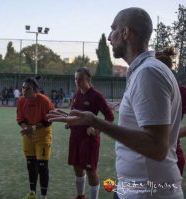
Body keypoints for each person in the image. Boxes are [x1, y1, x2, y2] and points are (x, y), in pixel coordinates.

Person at [47, 7, 183, 199]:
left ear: (125, 32)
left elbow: (157, 147)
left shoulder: (148, 73)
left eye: (113, 29)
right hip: (136, 187)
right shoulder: (145, 71)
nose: (109, 37)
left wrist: (95, 122)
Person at [68, 67, 114, 199]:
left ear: (88, 79)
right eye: (76, 79)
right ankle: (80, 196)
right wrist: (69, 122)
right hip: (75, 137)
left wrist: (96, 130)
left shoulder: (96, 96)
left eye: (80, 79)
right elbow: (73, 113)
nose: (77, 81)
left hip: (89, 140)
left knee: (90, 170)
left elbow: (109, 117)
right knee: (77, 167)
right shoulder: (77, 94)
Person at [17, 76, 54, 199]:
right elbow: (20, 119)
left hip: (43, 135)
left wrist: (30, 128)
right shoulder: (21, 101)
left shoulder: (44, 101)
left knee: (43, 165)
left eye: (28, 88)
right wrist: (25, 128)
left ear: (35, 90)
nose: (24, 91)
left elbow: (48, 121)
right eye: (23, 88)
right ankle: (32, 192)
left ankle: (43, 196)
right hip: (28, 135)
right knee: (30, 164)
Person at [156, 47, 186, 175]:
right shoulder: (146, 90)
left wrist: (174, 134)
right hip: (147, 157)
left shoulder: (182, 92)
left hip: (172, 156)